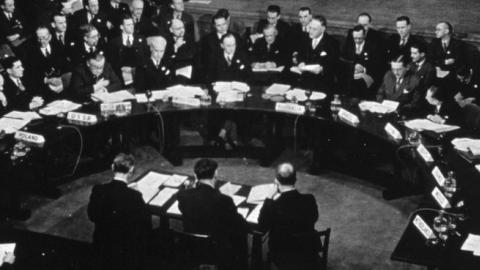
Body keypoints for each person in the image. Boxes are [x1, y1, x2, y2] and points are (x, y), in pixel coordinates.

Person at [177, 158, 248, 270]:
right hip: (217, 249)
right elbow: (241, 225)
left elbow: (183, 206)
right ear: (215, 174)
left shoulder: (183, 195)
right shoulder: (224, 200)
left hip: (192, 246)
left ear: (196, 175)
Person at [87, 153, 151, 270]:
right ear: (131, 170)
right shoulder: (134, 196)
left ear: (112, 167)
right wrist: (138, 196)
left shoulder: (98, 190)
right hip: (125, 247)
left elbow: (92, 216)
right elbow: (146, 222)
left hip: (102, 243)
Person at [258, 162, 319, 270]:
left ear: (276, 181)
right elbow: (314, 218)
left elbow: (262, 227)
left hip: (283, 252)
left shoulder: (273, 206)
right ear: (295, 180)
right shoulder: (310, 199)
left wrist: (268, 199)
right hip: (307, 247)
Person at [290, 15, 339, 92]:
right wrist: (300, 62)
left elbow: (334, 64)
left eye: (314, 29)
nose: (310, 31)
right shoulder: (305, 38)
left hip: (322, 83)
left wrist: (322, 69)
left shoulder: (332, 43)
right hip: (304, 80)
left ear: (323, 29)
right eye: (310, 28)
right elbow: (300, 54)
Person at [26, 25, 71, 102]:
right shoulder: (30, 52)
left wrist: (62, 82)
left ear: (50, 36)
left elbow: (66, 66)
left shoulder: (58, 47)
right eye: (38, 38)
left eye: (44, 37)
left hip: (62, 85)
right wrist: (47, 80)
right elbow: (31, 74)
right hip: (43, 88)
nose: (41, 41)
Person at [199, 9, 243, 82]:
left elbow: (242, 55)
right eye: (219, 25)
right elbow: (205, 61)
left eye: (224, 24)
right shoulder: (207, 40)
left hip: (234, 74)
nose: (222, 27)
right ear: (214, 26)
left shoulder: (236, 36)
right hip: (216, 75)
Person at [341, 25, 383, 98]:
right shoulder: (348, 46)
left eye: (360, 38)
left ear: (364, 35)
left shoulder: (372, 47)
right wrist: (353, 67)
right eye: (355, 38)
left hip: (366, 75)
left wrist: (363, 69)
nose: (357, 40)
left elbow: (376, 64)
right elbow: (343, 60)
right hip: (350, 74)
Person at [107, 15, 148, 86]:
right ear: (121, 27)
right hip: (120, 76)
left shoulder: (142, 39)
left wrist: (134, 69)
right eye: (128, 25)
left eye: (132, 24)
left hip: (139, 76)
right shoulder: (114, 42)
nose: (132, 26)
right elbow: (111, 61)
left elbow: (146, 57)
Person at [165, 18, 196, 83]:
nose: (182, 30)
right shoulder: (166, 40)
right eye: (178, 29)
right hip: (171, 71)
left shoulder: (189, 38)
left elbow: (191, 56)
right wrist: (175, 47)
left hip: (186, 71)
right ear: (171, 30)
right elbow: (165, 58)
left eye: (183, 28)